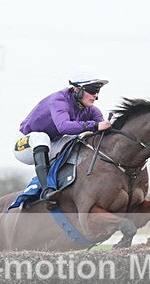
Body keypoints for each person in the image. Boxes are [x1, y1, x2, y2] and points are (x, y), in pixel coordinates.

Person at [13, 66, 112, 206]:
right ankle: (47, 190)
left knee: (76, 141)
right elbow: (63, 126)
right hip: (24, 145)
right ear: (76, 89)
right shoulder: (58, 100)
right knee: (41, 137)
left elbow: (103, 130)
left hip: (52, 143)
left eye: (98, 91)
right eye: (92, 90)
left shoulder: (92, 110)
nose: (96, 96)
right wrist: (94, 126)